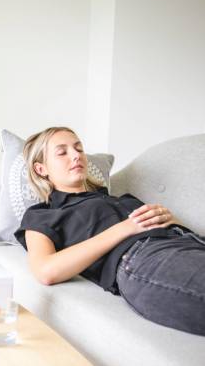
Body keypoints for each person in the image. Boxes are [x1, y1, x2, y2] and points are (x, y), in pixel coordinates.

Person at [14, 126, 205, 336]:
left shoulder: (119, 198)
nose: (76, 155)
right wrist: (125, 228)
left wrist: (171, 220)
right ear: (41, 169)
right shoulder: (42, 214)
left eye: (79, 148)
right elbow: (46, 271)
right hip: (145, 257)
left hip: (189, 242)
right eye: (62, 152)